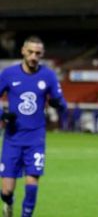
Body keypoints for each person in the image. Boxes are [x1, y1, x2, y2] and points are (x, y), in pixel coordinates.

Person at [0, 35, 67, 217]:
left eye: (38, 53)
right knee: (6, 191)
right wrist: (2, 114)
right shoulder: (8, 74)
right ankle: (8, 203)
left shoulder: (48, 75)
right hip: (12, 138)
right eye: (30, 52)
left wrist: (58, 104)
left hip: (35, 138)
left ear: (42, 54)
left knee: (32, 184)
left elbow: (61, 102)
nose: (33, 56)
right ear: (23, 51)